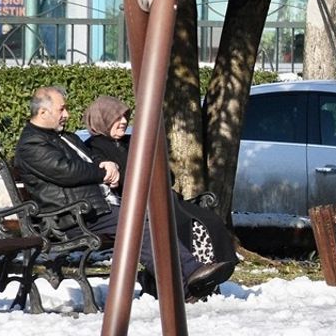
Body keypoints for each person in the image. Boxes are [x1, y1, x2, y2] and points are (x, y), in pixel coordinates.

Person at [13, 87, 225, 300]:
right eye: (62, 109)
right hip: (71, 217)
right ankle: (186, 279)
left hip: (95, 207)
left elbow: (88, 159)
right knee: (136, 223)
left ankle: (183, 281)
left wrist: (103, 163)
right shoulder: (32, 144)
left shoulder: (65, 137)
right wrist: (103, 172)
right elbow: (67, 171)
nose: (66, 114)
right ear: (43, 113)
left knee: (152, 217)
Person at [82, 95, 237, 290]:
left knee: (207, 220)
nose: (123, 122)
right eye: (116, 118)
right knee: (180, 223)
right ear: (102, 119)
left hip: (162, 197)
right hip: (135, 204)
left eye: (125, 117)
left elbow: (167, 175)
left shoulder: (132, 142)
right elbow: (115, 182)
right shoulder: (92, 148)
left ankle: (210, 272)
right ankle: (191, 279)